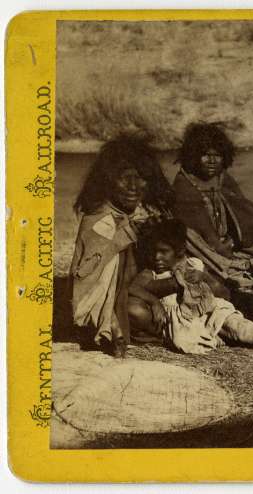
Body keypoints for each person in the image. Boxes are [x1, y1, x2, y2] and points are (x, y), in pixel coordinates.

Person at [70, 134, 174, 357]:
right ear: (107, 180)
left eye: (140, 178)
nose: (133, 187)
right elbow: (89, 283)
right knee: (137, 313)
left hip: (141, 287)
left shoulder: (145, 212)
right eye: (123, 178)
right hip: (116, 301)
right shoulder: (98, 220)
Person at [128, 220, 253, 358]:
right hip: (185, 322)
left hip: (210, 312)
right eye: (154, 252)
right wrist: (154, 301)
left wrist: (204, 277)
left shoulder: (193, 265)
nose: (157, 257)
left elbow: (223, 293)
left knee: (238, 327)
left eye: (164, 252)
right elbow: (133, 287)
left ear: (179, 251)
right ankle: (226, 338)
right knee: (195, 339)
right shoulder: (152, 273)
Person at [172, 123, 253, 268]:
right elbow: (205, 234)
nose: (212, 161)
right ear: (194, 155)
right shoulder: (185, 184)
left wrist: (236, 240)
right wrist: (230, 258)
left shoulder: (221, 177)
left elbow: (244, 209)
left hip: (231, 242)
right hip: (204, 250)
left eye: (217, 156)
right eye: (206, 155)